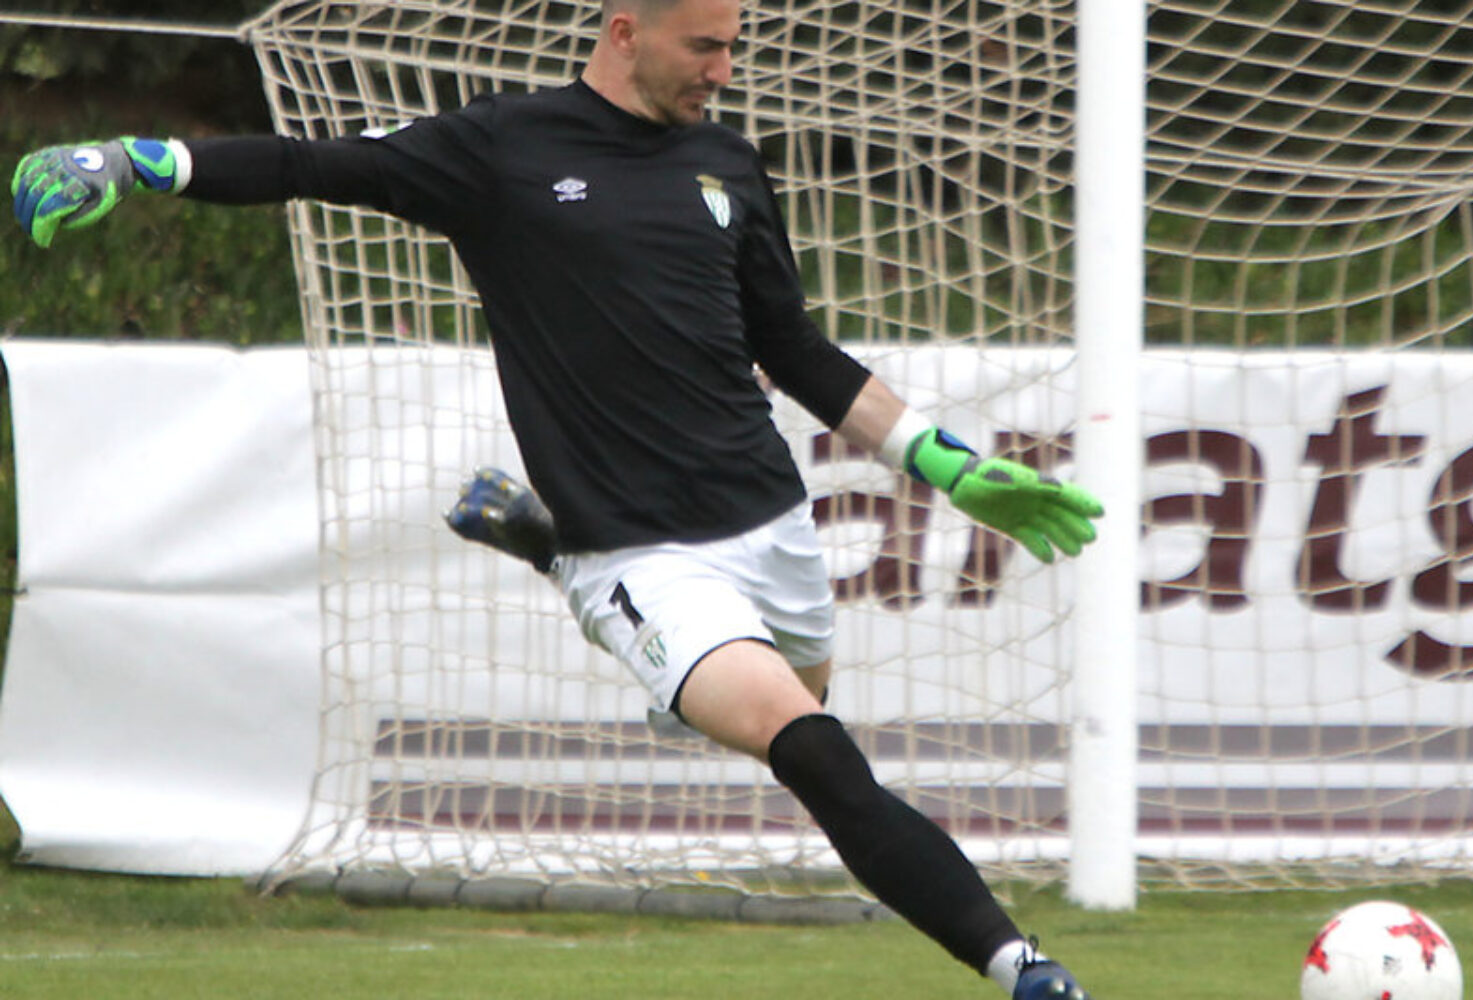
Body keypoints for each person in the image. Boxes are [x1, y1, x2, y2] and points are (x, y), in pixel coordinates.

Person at [10, 0, 1103, 995]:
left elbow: (796, 350)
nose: (723, 70)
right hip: (642, 553)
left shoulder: (727, 164)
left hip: (772, 525)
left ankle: (566, 566)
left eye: (732, 47)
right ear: (626, 31)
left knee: (797, 706)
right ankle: (1021, 966)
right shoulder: (503, 148)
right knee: (811, 747)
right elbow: (313, 163)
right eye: (703, 47)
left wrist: (947, 464)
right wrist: (143, 160)